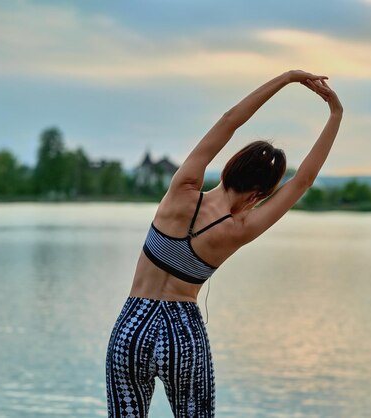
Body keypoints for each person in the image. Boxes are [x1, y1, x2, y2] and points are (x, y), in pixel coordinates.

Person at [105, 69, 343, 417]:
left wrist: (287, 78)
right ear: (260, 194)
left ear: (230, 166)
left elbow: (230, 120)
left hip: (132, 326)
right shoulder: (240, 228)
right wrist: (335, 114)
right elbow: (303, 180)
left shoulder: (183, 188)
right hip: (181, 334)